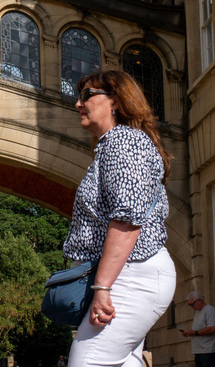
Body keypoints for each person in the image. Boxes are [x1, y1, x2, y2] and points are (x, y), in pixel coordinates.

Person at [62, 69, 177, 367]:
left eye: (87, 95)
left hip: (131, 276)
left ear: (115, 101)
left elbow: (127, 220)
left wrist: (102, 287)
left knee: (86, 361)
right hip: (127, 275)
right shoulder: (113, 145)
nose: (78, 104)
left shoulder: (123, 142)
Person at [181, 291, 215, 367]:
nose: (191, 307)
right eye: (189, 305)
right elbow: (199, 328)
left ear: (199, 300)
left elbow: (212, 328)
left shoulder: (209, 310)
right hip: (199, 350)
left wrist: (194, 333)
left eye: (192, 304)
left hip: (209, 351)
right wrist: (189, 332)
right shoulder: (197, 312)